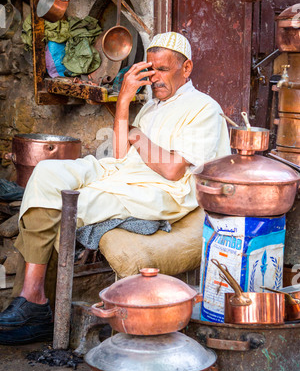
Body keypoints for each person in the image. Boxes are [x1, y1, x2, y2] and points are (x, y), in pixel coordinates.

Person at [0, 32, 231, 344]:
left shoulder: (204, 108)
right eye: (151, 69)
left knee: (68, 201)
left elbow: (174, 170)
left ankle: (33, 302)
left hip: (162, 190)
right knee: (45, 173)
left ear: (186, 68)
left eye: (163, 69)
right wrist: (124, 99)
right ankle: (33, 300)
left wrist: (139, 137)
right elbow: (120, 155)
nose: (155, 78)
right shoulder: (153, 106)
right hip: (124, 172)